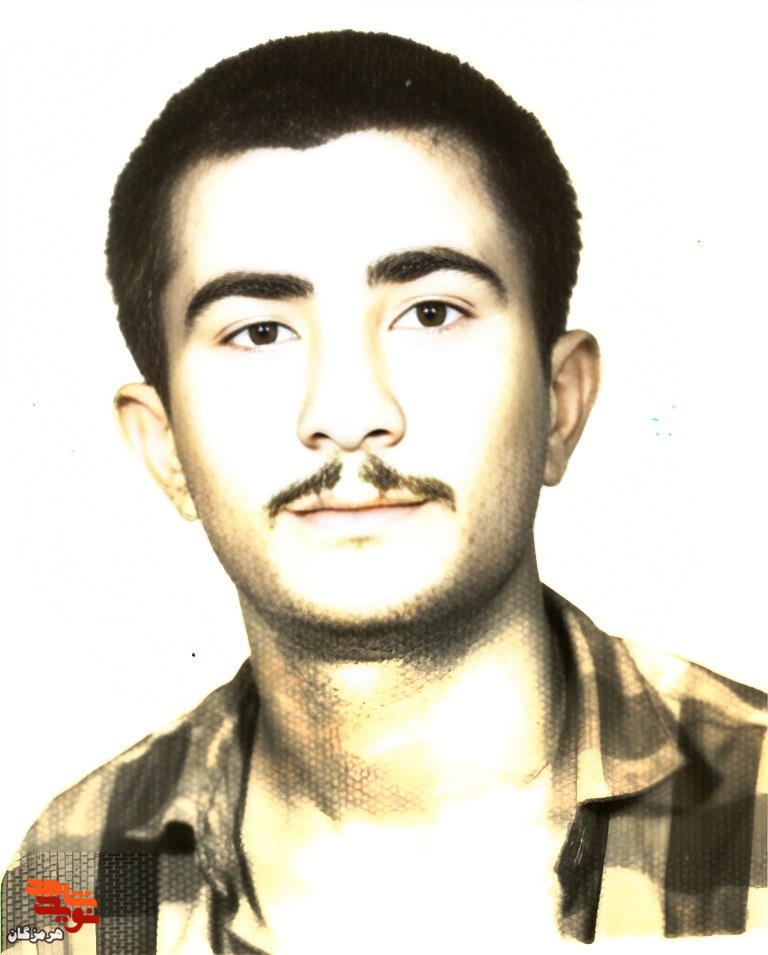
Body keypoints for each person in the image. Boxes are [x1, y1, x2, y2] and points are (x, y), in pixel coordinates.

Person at [2, 30, 765, 954]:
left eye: (430, 313)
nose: (349, 411)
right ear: (164, 448)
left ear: (560, 404)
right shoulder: (70, 882)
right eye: (259, 331)